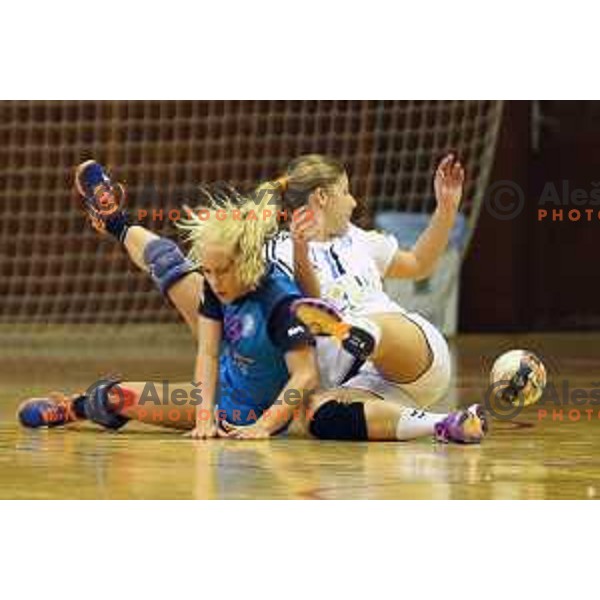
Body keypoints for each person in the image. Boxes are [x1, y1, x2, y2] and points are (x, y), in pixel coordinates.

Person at [17, 161, 486, 443]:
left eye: (221, 270)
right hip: (218, 398)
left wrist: (264, 426)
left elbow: (303, 374)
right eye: (212, 270)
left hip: (251, 412)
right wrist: (203, 414)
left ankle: (92, 401)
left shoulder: (282, 298)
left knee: (120, 388)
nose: (214, 279)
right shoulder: (223, 289)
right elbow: (205, 350)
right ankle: (117, 222)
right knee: (164, 271)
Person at [255, 153, 464, 413]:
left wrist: (446, 210)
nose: (353, 202)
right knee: (319, 414)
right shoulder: (278, 252)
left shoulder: (359, 239)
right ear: (322, 197)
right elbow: (309, 302)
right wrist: (301, 251)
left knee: (382, 323)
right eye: (345, 191)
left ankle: (359, 330)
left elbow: (419, 264)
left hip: (413, 354)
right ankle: (442, 424)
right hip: (363, 380)